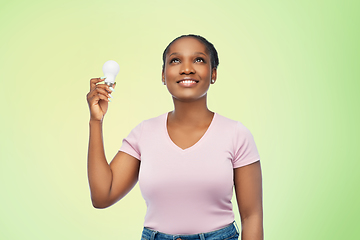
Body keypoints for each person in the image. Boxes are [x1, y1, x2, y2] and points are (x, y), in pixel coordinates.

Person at [86, 34, 263, 240]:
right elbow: (102, 196)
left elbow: (252, 217)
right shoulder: (144, 133)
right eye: (175, 60)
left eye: (198, 60)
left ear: (213, 73)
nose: (186, 68)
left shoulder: (236, 134)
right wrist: (95, 121)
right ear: (163, 75)